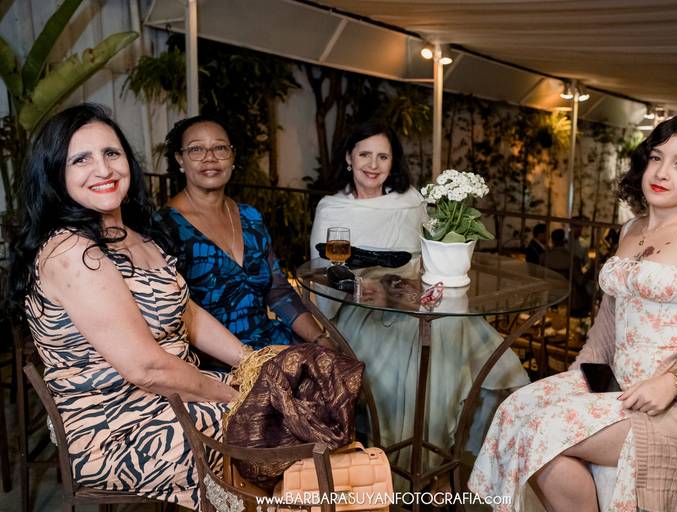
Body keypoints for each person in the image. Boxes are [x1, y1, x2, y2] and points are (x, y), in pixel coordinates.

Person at [469, 114, 677, 512]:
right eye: (656, 158)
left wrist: (675, 382)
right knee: (515, 409)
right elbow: (608, 324)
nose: (661, 172)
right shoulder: (630, 230)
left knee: (542, 432)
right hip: (618, 385)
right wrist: (578, 376)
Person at [8, 104, 245, 509]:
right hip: (118, 425)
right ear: (55, 173)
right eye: (81, 159)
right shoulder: (71, 251)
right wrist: (233, 397)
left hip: (175, 393)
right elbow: (146, 369)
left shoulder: (133, 232)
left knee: (288, 398)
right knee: (269, 433)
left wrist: (252, 360)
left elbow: (186, 312)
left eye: (111, 153)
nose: (103, 169)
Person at [309, 121, 530, 475]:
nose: (373, 164)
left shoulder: (411, 201)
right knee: (413, 363)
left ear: (393, 162)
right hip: (358, 311)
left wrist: (405, 288)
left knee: (472, 347)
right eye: (364, 154)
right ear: (349, 158)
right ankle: (405, 465)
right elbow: (323, 273)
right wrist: (361, 288)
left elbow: (427, 261)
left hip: (414, 301)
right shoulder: (332, 207)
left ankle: (442, 456)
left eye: (383, 156)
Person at [155, 115, 329, 365]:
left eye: (220, 147)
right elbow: (175, 315)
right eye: (196, 149)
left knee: (339, 369)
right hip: (216, 361)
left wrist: (319, 339)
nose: (210, 157)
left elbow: (278, 292)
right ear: (179, 159)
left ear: (232, 157)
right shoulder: (165, 227)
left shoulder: (250, 217)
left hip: (271, 345)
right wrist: (252, 364)